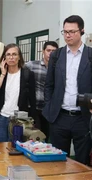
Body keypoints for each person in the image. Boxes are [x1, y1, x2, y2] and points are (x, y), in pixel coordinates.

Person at [43, 15, 92, 165]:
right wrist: (50, 107)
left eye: (72, 31)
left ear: (82, 31)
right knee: (57, 162)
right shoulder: (57, 56)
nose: (67, 35)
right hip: (59, 117)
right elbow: (49, 85)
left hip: (83, 118)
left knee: (82, 163)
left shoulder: (90, 55)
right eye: (65, 32)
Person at [0, 43, 37, 142]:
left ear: (19, 57)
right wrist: (2, 74)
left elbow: (32, 99)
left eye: (14, 54)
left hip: (19, 119)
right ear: (4, 58)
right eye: (8, 55)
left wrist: (34, 121)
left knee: (16, 151)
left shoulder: (27, 74)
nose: (11, 57)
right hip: (0, 118)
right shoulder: (0, 72)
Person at [26, 41, 58, 141]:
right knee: (34, 136)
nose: (51, 53)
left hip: (49, 108)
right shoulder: (32, 65)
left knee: (46, 135)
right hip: (33, 107)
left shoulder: (59, 68)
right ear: (43, 51)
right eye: (48, 50)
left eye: (54, 51)